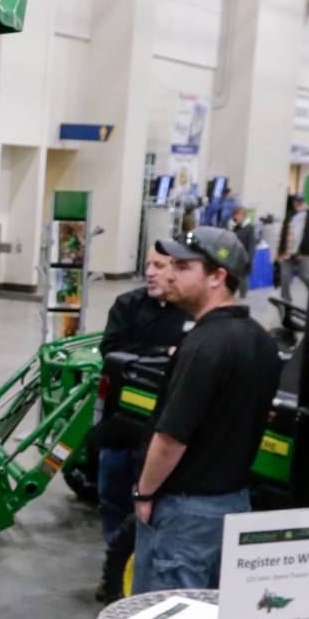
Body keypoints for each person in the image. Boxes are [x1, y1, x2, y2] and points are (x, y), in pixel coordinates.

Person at [79, 226, 282, 619]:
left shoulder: (205, 345)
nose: (168, 271)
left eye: (184, 266)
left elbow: (171, 439)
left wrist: (143, 493)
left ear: (217, 277)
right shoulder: (261, 342)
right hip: (232, 504)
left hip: (185, 509)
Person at [80, 250, 191, 600]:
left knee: (153, 506)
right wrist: (164, 352)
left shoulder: (190, 313)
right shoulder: (126, 305)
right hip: (120, 423)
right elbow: (111, 350)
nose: (151, 273)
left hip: (162, 430)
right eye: (148, 266)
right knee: (113, 497)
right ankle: (115, 563)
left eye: (160, 266)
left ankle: (143, 573)